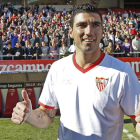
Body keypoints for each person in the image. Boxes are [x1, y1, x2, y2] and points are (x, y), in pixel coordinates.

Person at [11, 3, 140, 140]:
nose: (89, 31)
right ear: (71, 32)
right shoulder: (58, 68)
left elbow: (137, 120)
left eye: (96, 25)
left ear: (102, 31)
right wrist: (29, 114)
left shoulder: (122, 72)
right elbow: (46, 116)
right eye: (82, 25)